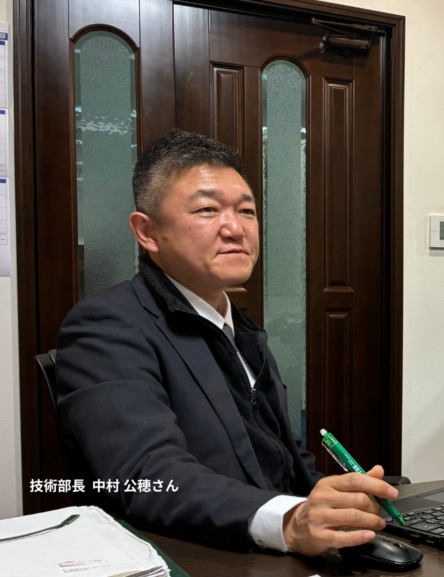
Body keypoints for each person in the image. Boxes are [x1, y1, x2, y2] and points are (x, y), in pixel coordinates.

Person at [56, 130, 393, 556]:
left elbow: (283, 456)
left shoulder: (239, 327)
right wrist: (288, 521)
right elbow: (148, 475)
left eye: (247, 211)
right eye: (207, 209)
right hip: (199, 556)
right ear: (147, 231)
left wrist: (339, 502)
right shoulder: (107, 325)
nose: (235, 228)